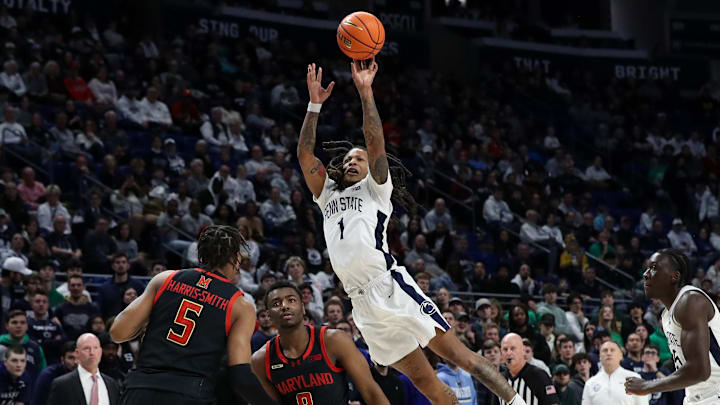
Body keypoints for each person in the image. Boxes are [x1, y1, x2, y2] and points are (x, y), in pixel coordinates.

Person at [299, 60, 527, 405]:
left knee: (459, 355)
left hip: (389, 286)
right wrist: (314, 105)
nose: (351, 161)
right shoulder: (326, 194)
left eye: (358, 158)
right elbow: (304, 154)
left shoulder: (376, 189)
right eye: (347, 159)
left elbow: (375, 140)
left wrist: (365, 92)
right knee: (424, 381)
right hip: (360, 303)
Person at [109, 225, 272, 405]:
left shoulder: (165, 279)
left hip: (141, 389)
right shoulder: (240, 305)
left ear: (201, 254)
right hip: (190, 393)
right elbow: (240, 374)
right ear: (235, 258)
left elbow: (118, 332)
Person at [251, 281, 389, 404]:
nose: (284, 306)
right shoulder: (261, 360)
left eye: (291, 300)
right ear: (268, 315)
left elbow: (371, 392)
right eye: (276, 303)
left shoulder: (334, 340)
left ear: (303, 308)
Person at [626, 248, 720, 403]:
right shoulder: (666, 315)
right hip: (696, 396)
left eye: (654, 268)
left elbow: (699, 371)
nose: (646, 274)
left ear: (675, 276)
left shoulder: (691, 301)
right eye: (647, 268)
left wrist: (647, 386)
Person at [47, 334, 120, 405]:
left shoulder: (112, 384)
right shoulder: (62, 384)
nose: (92, 353)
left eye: (95, 348)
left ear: (100, 352)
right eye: (87, 348)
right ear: (77, 353)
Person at [494, 333, 558, 405]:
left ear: (523, 350)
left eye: (513, 348)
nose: (509, 353)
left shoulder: (539, 376)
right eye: (505, 349)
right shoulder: (500, 379)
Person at [585, 341, 648, 405]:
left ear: (621, 355)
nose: (608, 353)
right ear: (600, 357)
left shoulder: (635, 378)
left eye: (612, 350)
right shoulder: (590, 383)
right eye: (605, 350)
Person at [31, 341, 77, 405]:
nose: (75, 362)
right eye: (71, 358)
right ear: (62, 360)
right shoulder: (48, 375)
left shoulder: (87, 375)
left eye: (78, 358)